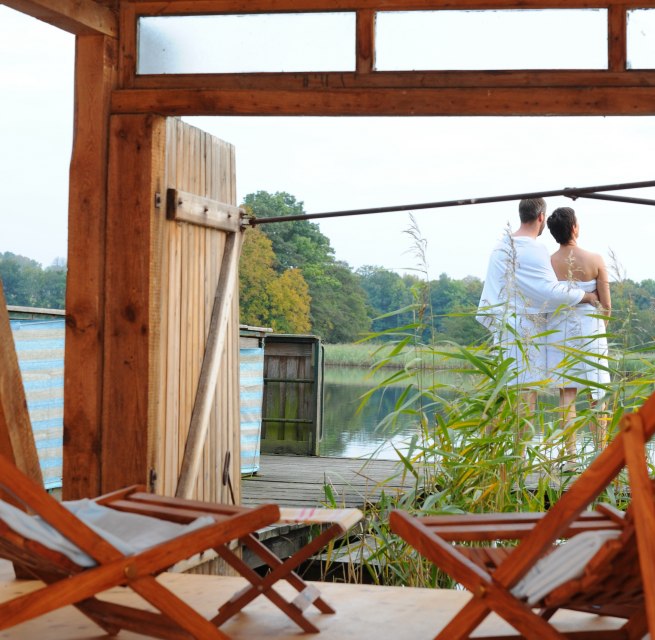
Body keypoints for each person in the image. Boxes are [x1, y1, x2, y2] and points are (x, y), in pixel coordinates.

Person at [476, 198, 599, 413]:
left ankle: (498, 436)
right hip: (527, 332)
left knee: (502, 395)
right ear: (541, 216)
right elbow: (549, 291)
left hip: (503, 330)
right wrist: (586, 296)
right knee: (526, 395)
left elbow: (493, 293)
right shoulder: (536, 249)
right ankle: (521, 437)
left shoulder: (499, 248)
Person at [546, 206, 611, 449]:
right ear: (574, 227)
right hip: (591, 329)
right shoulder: (595, 259)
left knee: (567, 393)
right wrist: (600, 328)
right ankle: (600, 452)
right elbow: (606, 305)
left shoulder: (548, 263)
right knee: (597, 392)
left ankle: (570, 457)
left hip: (559, 330)